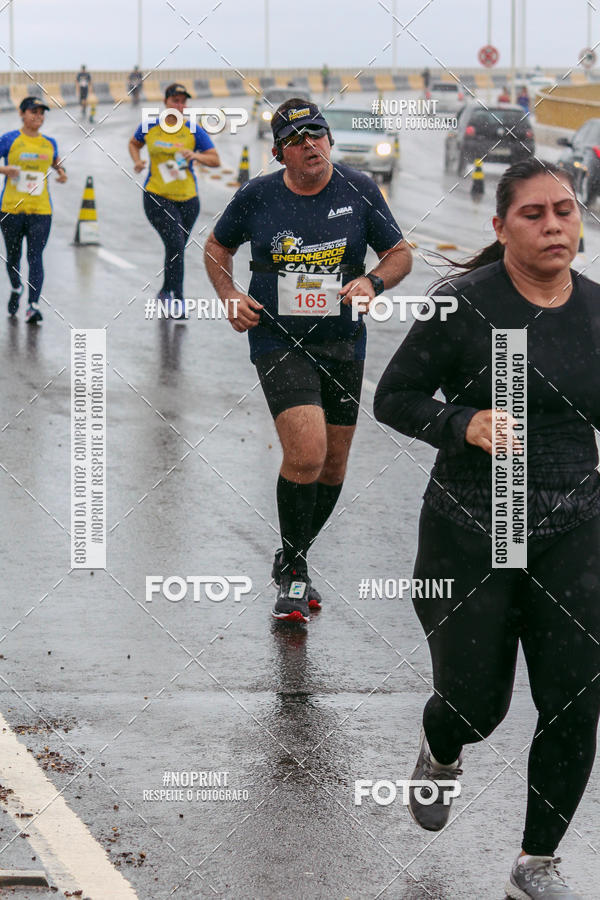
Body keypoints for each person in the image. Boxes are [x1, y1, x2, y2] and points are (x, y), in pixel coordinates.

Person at [374, 158, 599, 899]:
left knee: (575, 698)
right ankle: (442, 747)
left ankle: (536, 864)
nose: (553, 225)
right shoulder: (462, 305)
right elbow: (395, 398)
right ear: (500, 227)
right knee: (479, 703)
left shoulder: (596, 312)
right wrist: (461, 421)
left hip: (573, 528)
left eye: (564, 210)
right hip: (473, 525)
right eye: (533, 214)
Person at [204, 98, 412, 623]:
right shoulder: (258, 195)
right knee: (307, 453)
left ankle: (292, 555)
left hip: (342, 341)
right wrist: (229, 294)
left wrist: (373, 280)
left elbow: (400, 252)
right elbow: (215, 247)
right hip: (277, 339)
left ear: (330, 141)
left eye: (316, 134)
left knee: (334, 463)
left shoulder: (359, 190)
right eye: (296, 140)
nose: (310, 144)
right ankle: (295, 572)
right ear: (280, 153)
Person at [128, 83, 220, 317]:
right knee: (176, 245)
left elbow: (215, 159)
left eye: (183, 102)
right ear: (166, 102)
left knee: (175, 248)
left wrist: (196, 155)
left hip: (188, 199)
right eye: (175, 101)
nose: (179, 106)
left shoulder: (193, 130)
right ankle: (177, 299)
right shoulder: (150, 126)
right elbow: (134, 143)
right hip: (157, 195)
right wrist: (137, 161)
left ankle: (164, 292)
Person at [0, 96, 67, 323]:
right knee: (13, 257)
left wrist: (62, 173)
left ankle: (33, 306)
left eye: (41, 112)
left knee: (35, 257)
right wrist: (4, 169)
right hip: (11, 209)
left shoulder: (49, 142)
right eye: (33, 112)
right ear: (22, 114)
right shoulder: (9, 140)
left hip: (40, 210)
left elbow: (55, 161)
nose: (38, 116)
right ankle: (17, 287)